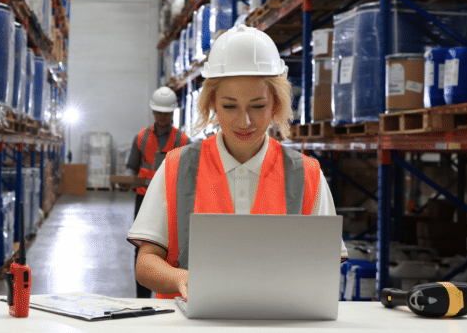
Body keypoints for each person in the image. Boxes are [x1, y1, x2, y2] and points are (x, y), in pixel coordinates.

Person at [126, 25, 347, 300]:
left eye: (258, 106)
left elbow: (327, 263)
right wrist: (181, 278)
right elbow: (146, 263)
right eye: (230, 106)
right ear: (212, 104)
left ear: (276, 104)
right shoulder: (176, 168)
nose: (245, 122)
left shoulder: (306, 175)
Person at [126, 86, 190, 298]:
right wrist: (130, 180)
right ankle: (142, 299)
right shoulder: (142, 137)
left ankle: (168, 293)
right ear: (153, 112)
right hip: (143, 198)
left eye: (167, 113)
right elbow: (132, 167)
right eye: (159, 112)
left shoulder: (183, 141)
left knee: (170, 248)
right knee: (144, 249)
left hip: (172, 202)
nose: (163, 117)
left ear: (172, 113)